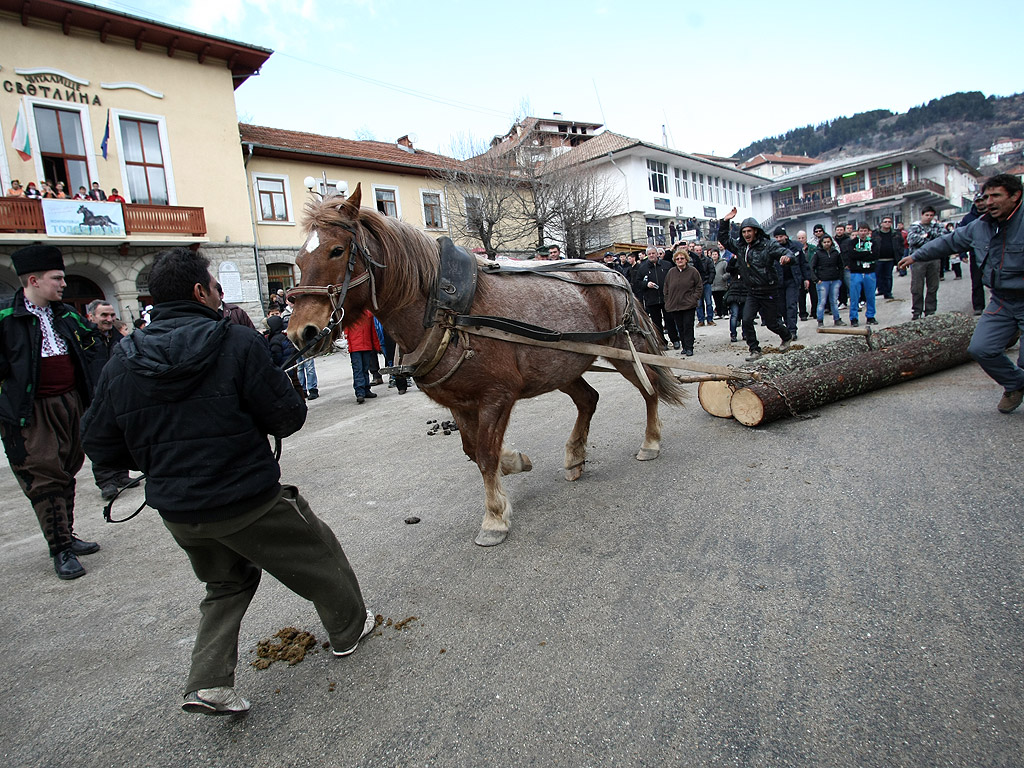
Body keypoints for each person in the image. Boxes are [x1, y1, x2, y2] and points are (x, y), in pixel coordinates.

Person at [80, 247, 374, 715]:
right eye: (217, 287)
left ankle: (209, 682)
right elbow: (288, 417)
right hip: (244, 497)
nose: (220, 294)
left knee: (226, 584)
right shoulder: (236, 343)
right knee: (319, 555)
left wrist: (158, 454)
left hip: (179, 510)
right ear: (201, 292)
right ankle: (349, 628)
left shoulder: (122, 357)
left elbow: (99, 442)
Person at [0, 245, 100, 580]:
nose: (63, 284)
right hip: (31, 411)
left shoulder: (66, 316)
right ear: (33, 280)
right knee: (44, 474)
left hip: (70, 403)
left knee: (68, 467)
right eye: (56, 278)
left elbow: (92, 353)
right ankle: (60, 549)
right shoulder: (5, 318)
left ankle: (66, 535)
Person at [898, 174, 1024, 413]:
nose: (989, 202)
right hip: (1002, 301)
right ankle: (1015, 383)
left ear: (1015, 195)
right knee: (981, 349)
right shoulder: (980, 226)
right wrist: (916, 255)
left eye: (996, 196)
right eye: (986, 197)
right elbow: (948, 242)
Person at [718, 207, 793, 362]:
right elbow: (724, 239)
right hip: (751, 291)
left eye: (749, 231)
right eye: (744, 232)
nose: (746, 234)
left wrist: (787, 258)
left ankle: (786, 336)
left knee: (772, 323)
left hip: (769, 290)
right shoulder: (740, 246)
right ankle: (754, 349)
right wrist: (725, 222)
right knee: (746, 321)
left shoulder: (768, 245)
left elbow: (786, 252)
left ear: (756, 231)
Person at [85, 299, 132, 500]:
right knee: (101, 436)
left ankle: (121, 474)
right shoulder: (86, 339)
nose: (109, 319)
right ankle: (106, 481)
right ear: (91, 317)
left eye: (112, 315)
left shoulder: (118, 339)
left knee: (121, 434)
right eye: (104, 315)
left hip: (117, 393)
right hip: (94, 394)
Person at [772, 227, 810, 340]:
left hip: (793, 280)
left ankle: (792, 330)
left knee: (791, 305)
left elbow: (803, 263)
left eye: (781, 236)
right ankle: (787, 329)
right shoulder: (773, 248)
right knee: (782, 307)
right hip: (779, 281)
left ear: (786, 236)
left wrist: (806, 278)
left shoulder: (796, 246)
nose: (779, 239)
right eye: (777, 237)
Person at [906, 206, 945, 319]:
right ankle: (916, 311)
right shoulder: (915, 226)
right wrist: (929, 237)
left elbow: (942, 239)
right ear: (922, 215)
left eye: (931, 215)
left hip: (934, 258)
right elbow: (912, 240)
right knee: (917, 287)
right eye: (927, 215)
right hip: (918, 259)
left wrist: (925, 238)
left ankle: (930, 311)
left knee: (933, 286)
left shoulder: (937, 226)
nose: (929, 217)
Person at [631, 246, 674, 348]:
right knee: (656, 323)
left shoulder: (667, 265)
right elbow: (637, 283)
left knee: (670, 320)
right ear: (647, 255)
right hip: (652, 299)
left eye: (653, 253)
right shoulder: (642, 268)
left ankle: (675, 339)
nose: (651, 255)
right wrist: (646, 284)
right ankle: (662, 342)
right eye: (649, 254)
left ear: (657, 254)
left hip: (666, 298)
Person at [663, 249, 702, 357]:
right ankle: (684, 346)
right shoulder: (671, 272)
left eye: (682, 258)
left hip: (688, 304)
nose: (679, 260)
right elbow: (666, 287)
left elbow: (699, 286)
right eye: (677, 259)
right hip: (675, 304)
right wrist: (667, 300)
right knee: (680, 327)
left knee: (688, 326)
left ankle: (689, 347)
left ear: (686, 260)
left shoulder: (693, 271)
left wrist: (694, 298)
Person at [346, 309, 382, 403]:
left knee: (364, 369)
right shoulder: (352, 314)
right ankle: (360, 392)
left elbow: (373, 331)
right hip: (357, 347)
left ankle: (365, 390)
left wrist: (376, 345)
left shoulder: (367, 314)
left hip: (365, 345)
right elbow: (346, 332)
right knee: (359, 370)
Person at [809, 235, 845, 327]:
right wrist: (816, 280)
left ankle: (837, 319)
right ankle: (820, 320)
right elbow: (812, 267)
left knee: (834, 301)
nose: (826, 244)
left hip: (835, 280)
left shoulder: (835, 253)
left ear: (831, 242)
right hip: (822, 281)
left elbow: (841, 266)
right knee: (822, 301)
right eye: (824, 242)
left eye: (828, 242)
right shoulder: (817, 254)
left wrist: (840, 279)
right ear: (821, 243)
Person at [846, 224, 878, 326]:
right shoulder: (852, 243)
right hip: (856, 272)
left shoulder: (873, 242)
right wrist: (867, 253)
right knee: (854, 296)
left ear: (868, 231)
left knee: (870, 296)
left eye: (865, 231)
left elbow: (875, 255)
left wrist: (860, 255)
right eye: (861, 230)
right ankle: (854, 318)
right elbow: (852, 255)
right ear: (858, 231)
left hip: (870, 272)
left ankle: (870, 316)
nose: (863, 233)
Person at [872, 216, 901, 300]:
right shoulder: (876, 234)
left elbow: (900, 244)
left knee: (888, 276)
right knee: (877, 276)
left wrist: (899, 254)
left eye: (889, 222)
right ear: (881, 224)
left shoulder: (895, 234)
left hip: (890, 259)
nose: (887, 223)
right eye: (885, 222)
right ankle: (880, 290)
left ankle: (888, 293)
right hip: (878, 259)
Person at [796, 230, 818, 321]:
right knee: (801, 295)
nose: (801, 240)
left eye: (803, 238)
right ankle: (803, 313)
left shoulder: (813, 248)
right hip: (801, 273)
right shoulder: (795, 249)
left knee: (814, 294)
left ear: (806, 238)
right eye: (799, 238)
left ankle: (814, 312)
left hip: (812, 273)